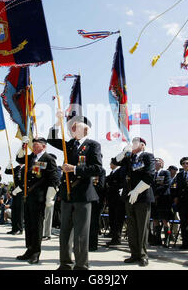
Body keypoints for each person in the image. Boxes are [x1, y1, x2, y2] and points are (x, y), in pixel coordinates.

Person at [48, 112, 102, 270]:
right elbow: (51, 140)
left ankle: (81, 266)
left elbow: (98, 168)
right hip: (67, 194)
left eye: (75, 125)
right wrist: (57, 123)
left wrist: (75, 169)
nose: (71, 128)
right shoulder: (70, 144)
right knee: (64, 232)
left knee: (80, 234)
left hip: (83, 195)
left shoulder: (93, 145)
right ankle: (65, 263)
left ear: (85, 130)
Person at [111, 137, 155, 267]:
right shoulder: (129, 158)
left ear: (142, 145)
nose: (133, 144)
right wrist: (124, 152)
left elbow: (149, 175)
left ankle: (142, 255)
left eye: (136, 142)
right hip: (129, 196)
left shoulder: (147, 156)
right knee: (131, 226)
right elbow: (115, 161)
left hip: (142, 195)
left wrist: (137, 190)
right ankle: (134, 254)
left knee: (142, 227)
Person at [15, 137, 59, 264]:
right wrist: (23, 145)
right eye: (32, 145)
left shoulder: (48, 159)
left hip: (39, 197)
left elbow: (54, 179)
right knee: (28, 225)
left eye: (36, 145)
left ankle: (36, 253)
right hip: (28, 196)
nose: (33, 147)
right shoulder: (31, 157)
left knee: (37, 225)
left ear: (43, 146)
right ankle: (29, 249)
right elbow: (19, 159)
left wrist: (50, 197)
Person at [172, 157, 188, 250]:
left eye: (187, 163)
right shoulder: (179, 175)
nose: (185, 165)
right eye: (183, 164)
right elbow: (175, 187)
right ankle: (185, 243)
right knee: (183, 223)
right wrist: (175, 197)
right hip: (182, 203)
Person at [151, 158, 172, 246]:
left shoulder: (166, 173)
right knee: (155, 219)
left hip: (163, 199)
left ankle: (167, 239)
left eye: (158, 162)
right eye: (155, 162)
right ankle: (157, 239)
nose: (156, 163)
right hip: (154, 200)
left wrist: (156, 194)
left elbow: (166, 184)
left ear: (162, 164)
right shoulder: (152, 173)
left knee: (164, 220)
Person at [105, 162, 126, 246]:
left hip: (118, 198)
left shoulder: (121, 169)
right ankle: (114, 237)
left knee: (118, 219)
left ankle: (117, 238)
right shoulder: (113, 172)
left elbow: (122, 182)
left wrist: (114, 186)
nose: (110, 164)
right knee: (112, 218)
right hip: (112, 198)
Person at [42, 154, 61, 241]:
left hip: (50, 195)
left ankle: (47, 234)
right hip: (42, 193)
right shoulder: (43, 168)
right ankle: (41, 232)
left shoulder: (56, 169)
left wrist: (51, 196)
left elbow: (57, 183)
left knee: (48, 215)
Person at [89, 167, 106, 251]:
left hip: (96, 200)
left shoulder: (101, 171)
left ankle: (92, 245)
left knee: (93, 223)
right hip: (86, 200)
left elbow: (100, 185)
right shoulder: (86, 168)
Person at [5, 164, 24, 235]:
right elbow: (7, 171)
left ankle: (20, 229)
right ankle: (14, 228)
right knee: (14, 211)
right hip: (14, 192)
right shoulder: (17, 168)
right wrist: (9, 165)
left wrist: (17, 190)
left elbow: (25, 181)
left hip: (21, 191)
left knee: (19, 212)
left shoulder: (27, 167)